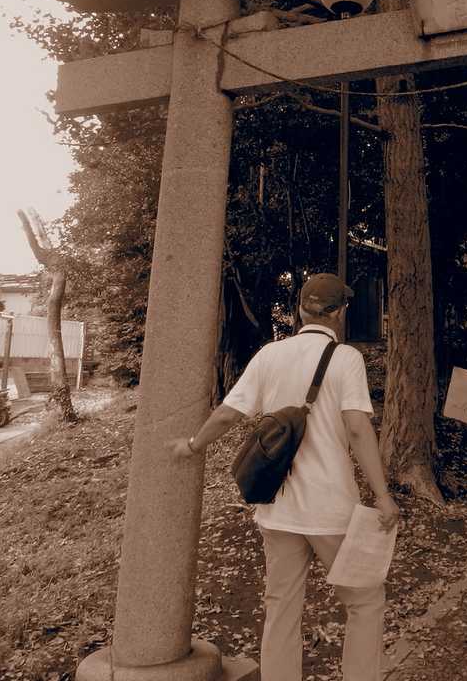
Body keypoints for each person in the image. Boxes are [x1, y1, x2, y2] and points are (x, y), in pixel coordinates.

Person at [168, 273, 399, 681]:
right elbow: (358, 429)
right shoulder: (346, 358)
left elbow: (227, 413)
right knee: (364, 601)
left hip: (278, 509)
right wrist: (382, 495)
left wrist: (192, 445)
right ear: (339, 313)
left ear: (300, 311)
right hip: (330, 510)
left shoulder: (270, 355)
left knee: (281, 607)